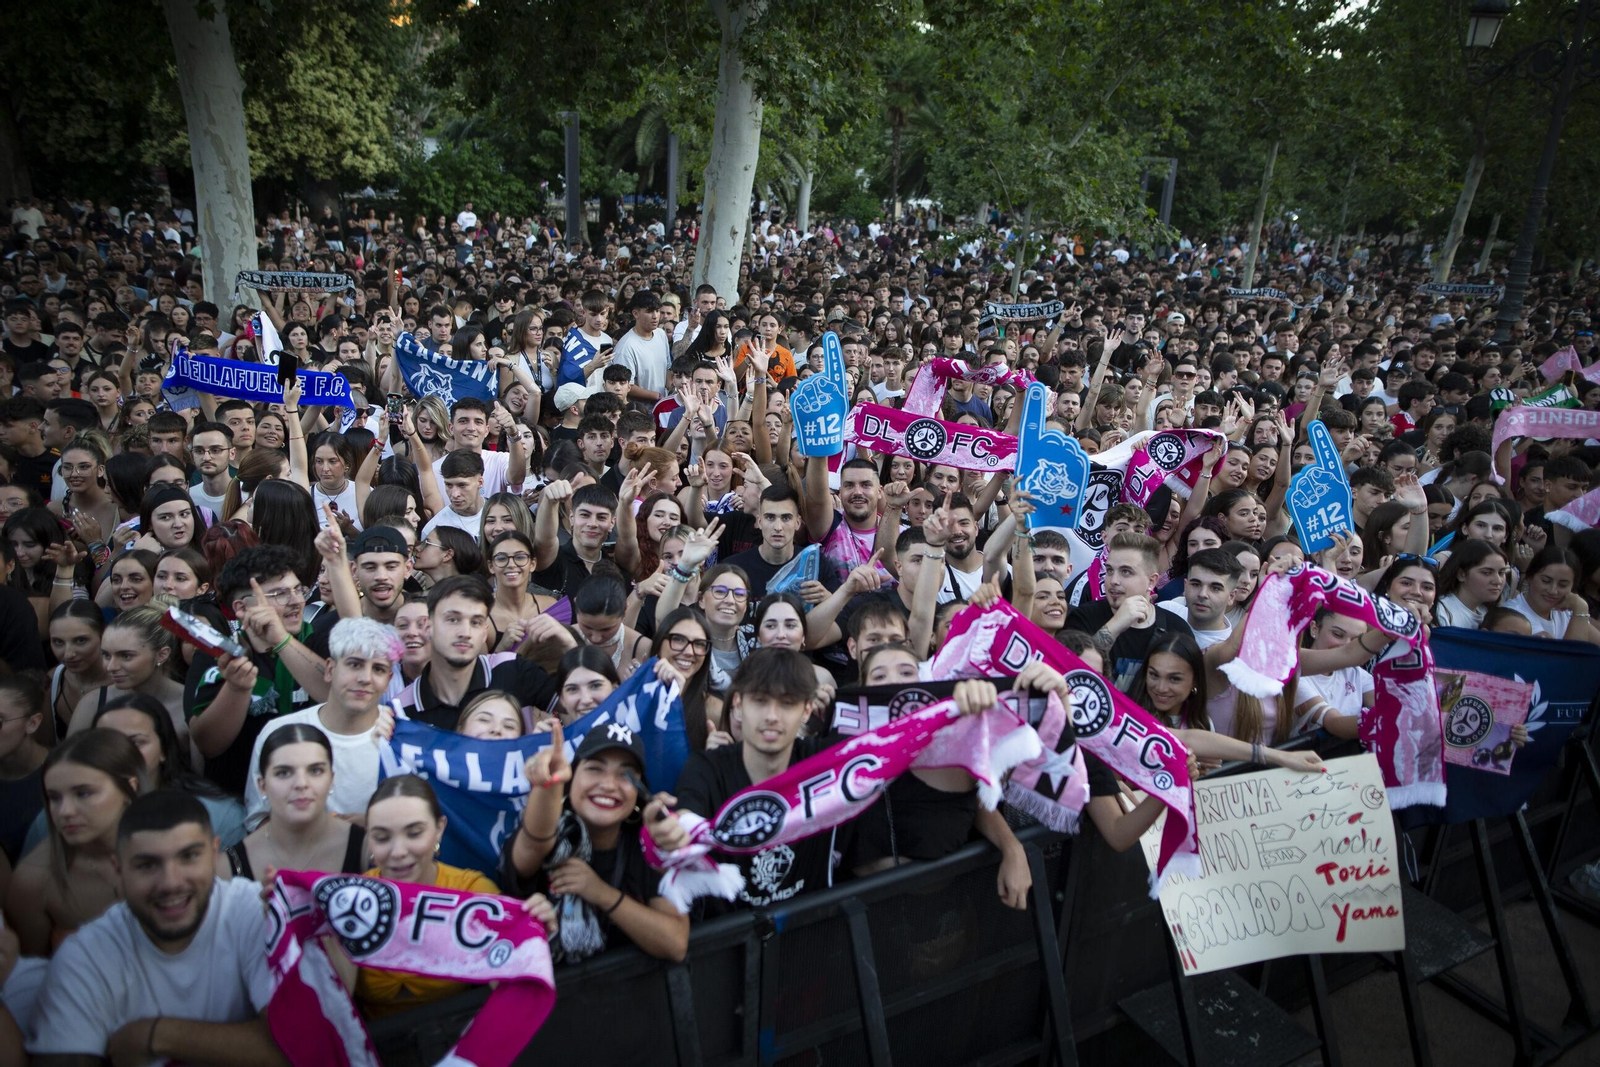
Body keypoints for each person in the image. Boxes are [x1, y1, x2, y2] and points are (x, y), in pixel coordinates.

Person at [15, 791, 287, 1066]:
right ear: (118, 869)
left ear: (214, 854)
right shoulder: (85, 956)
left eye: (189, 856)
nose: (171, 882)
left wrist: (158, 1035)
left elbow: (297, 1049)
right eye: (147, 864)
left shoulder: (256, 913)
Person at [317, 775, 556, 1017]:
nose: (398, 852)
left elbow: (507, 989)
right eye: (382, 837)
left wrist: (529, 938)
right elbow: (334, 1006)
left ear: (439, 829)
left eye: (414, 833)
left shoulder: (471, 891)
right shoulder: (348, 898)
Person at [503, 719, 690, 962]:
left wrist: (600, 892)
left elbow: (675, 943)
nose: (609, 785)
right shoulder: (549, 831)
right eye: (594, 768)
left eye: (625, 775)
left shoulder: (645, 844)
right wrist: (549, 785)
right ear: (571, 780)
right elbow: (536, 841)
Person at [5, 729, 146, 955]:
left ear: (130, 788)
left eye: (83, 793)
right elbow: (28, 978)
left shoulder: (179, 849)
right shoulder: (34, 879)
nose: (65, 811)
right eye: (54, 798)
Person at [243, 617, 397, 820]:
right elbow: (258, 819)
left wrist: (372, 829)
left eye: (378, 669)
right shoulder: (280, 731)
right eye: (354, 664)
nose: (365, 678)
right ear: (330, 670)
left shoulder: (402, 743)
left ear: (388, 680)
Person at [92, 693, 247, 848]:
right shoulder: (81, 809)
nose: (122, 752)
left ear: (163, 749)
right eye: (109, 742)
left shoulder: (217, 813)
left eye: (136, 742)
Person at [224, 724, 367, 881]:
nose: (301, 783)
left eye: (315, 771)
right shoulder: (226, 867)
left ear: (331, 779)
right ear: (262, 785)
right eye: (284, 773)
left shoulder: (367, 849)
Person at [1066, 532, 1195, 690]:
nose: (1113, 581)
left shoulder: (1176, 629)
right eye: (1110, 571)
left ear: (1151, 581)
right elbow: (1069, 672)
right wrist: (1115, 625)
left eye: (1126, 572)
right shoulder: (1082, 618)